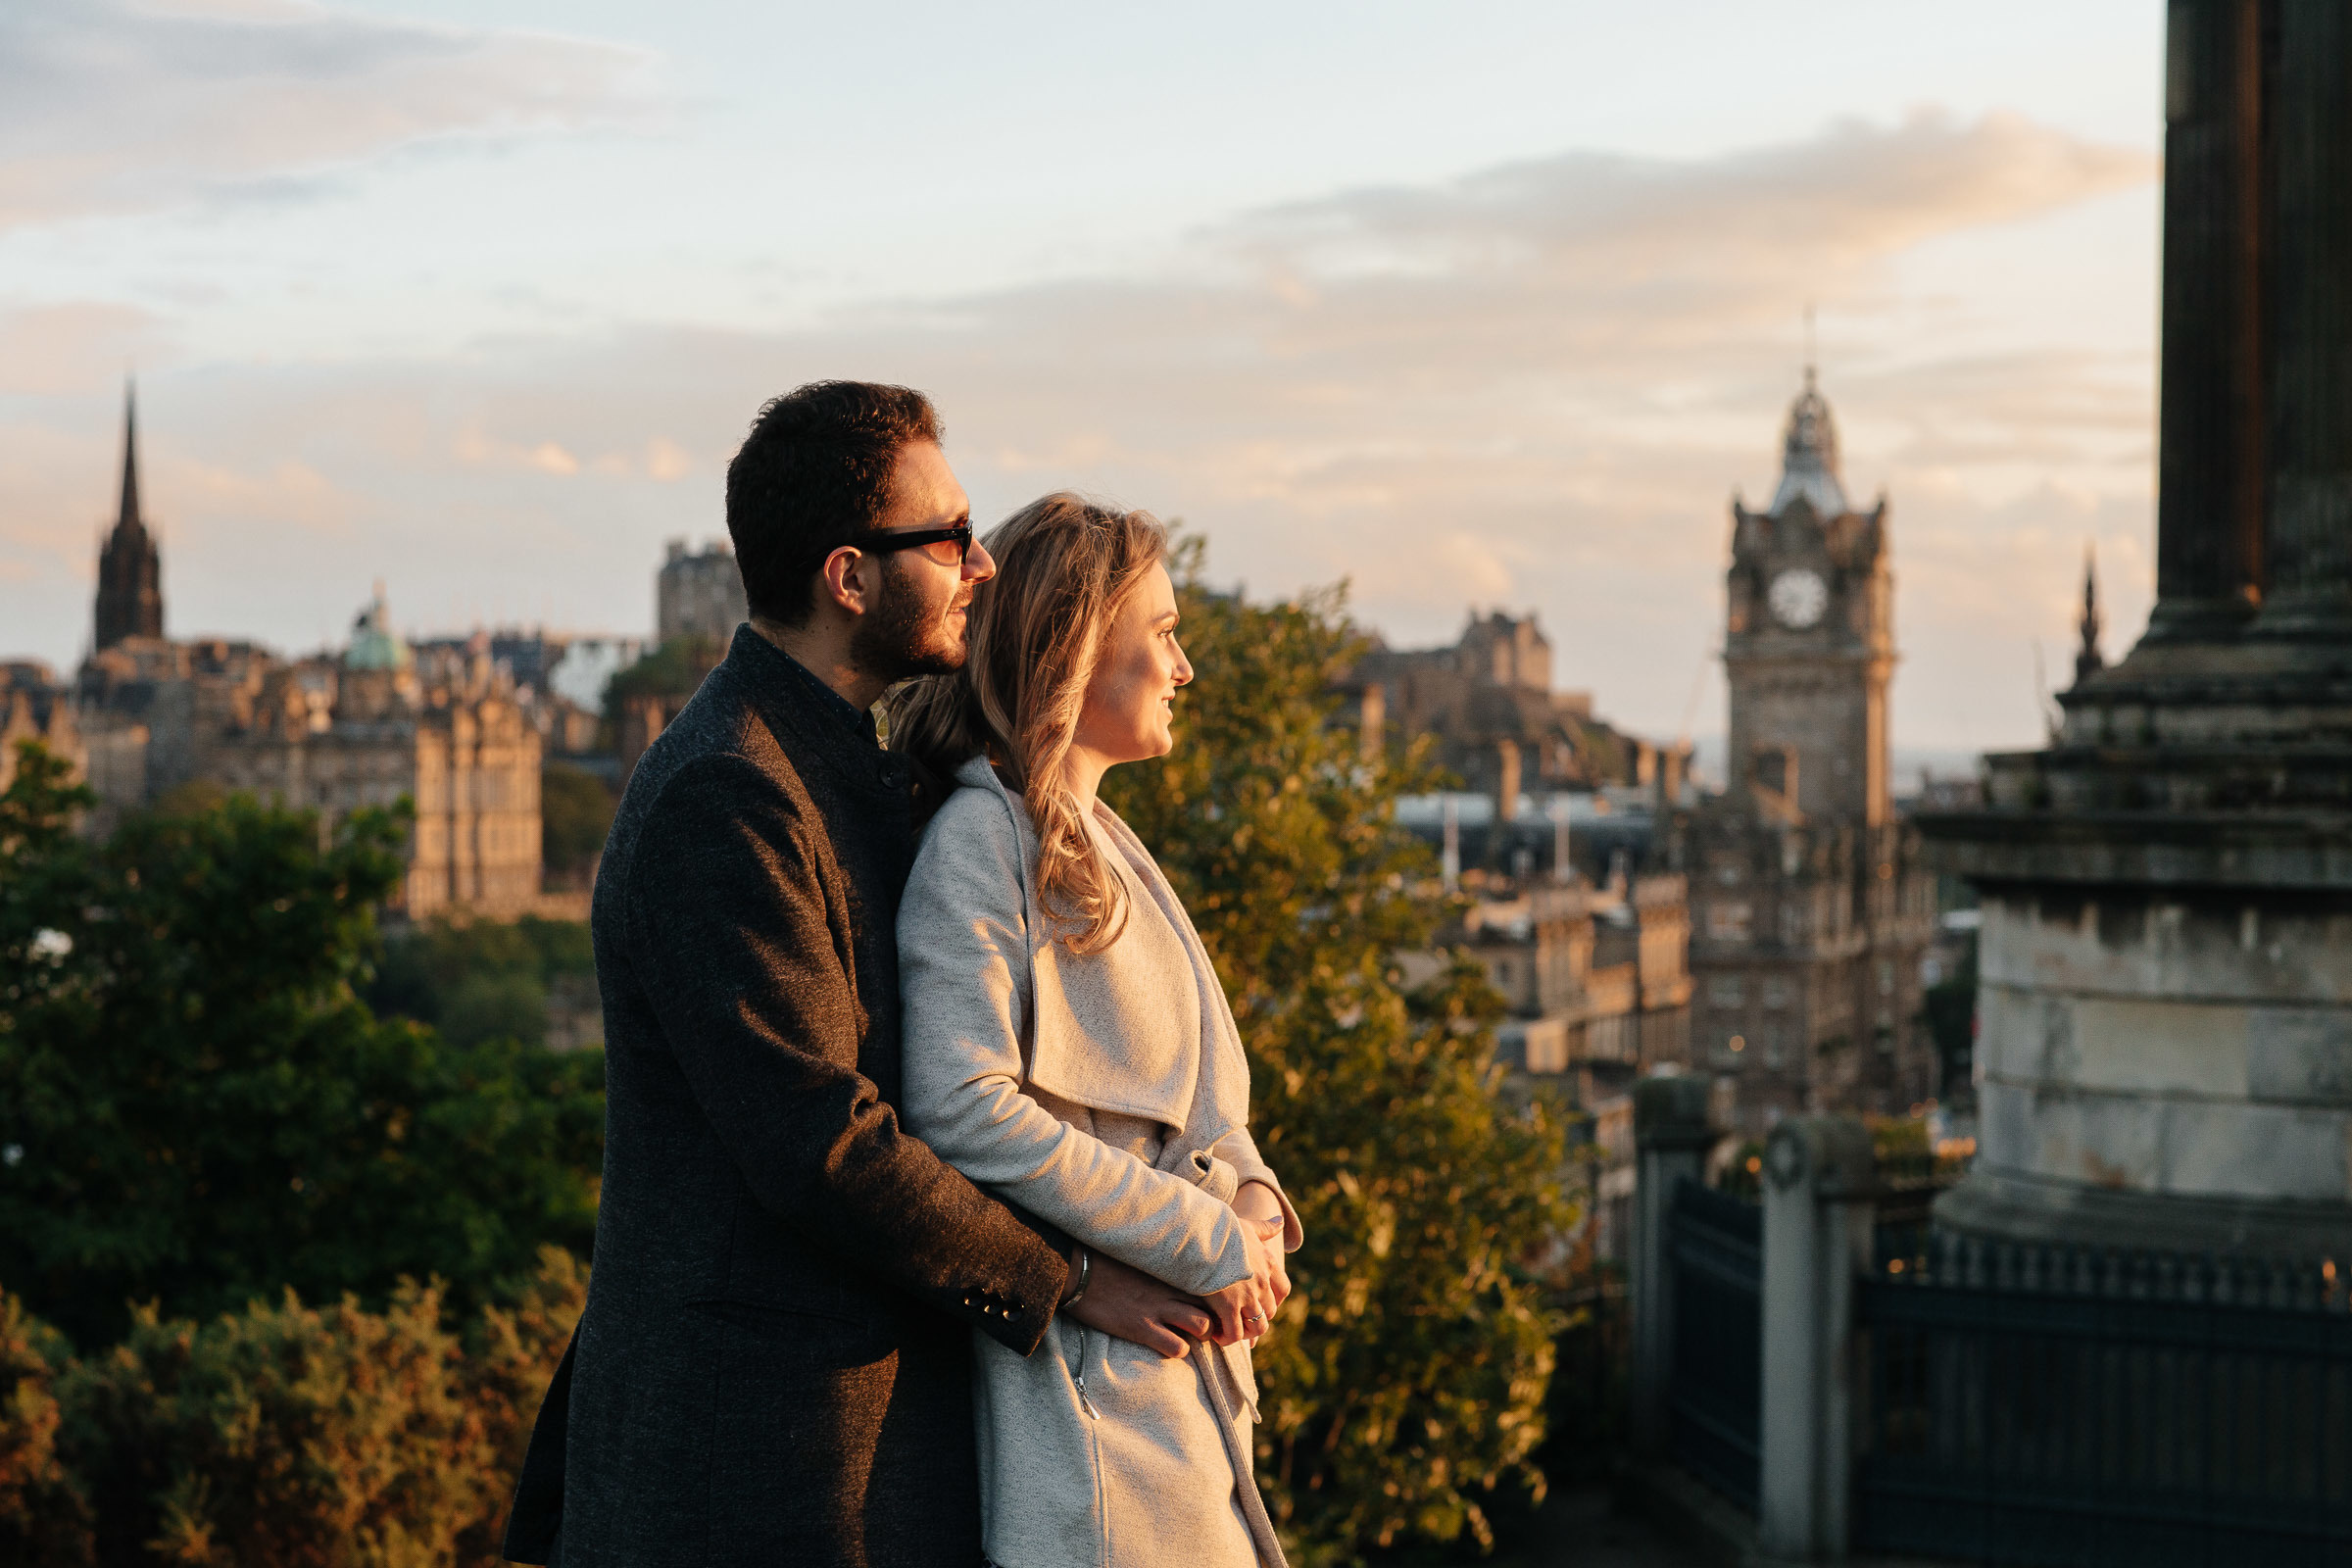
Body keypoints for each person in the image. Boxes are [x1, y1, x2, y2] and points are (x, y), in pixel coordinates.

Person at [502, 385, 1231, 1568]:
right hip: (751, 1465)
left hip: (853, 1449)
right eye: (947, 539)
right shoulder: (724, 793)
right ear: (850, 578)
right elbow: (820, 1143)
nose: (981, 565)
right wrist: (1067, 1279)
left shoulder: (861, 771)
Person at [888, 494, 1303, 1568]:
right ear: (1076, 648)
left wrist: (1256, 1199)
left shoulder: (1105, 838)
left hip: (1185, 1391)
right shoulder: (978, 843)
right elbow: (961, 1105)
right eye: (1160, 632)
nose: (1184, 665)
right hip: (1095, 1414)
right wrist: (1206, 1237)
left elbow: (1210, 1111)